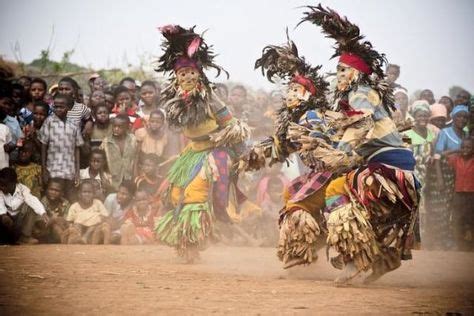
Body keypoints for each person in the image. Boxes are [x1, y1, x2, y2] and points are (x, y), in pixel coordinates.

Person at [299, 5, 420, 284]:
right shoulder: (357, 96)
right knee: (372, 213)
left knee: (336, 190)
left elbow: (358, 125)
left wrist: (337, 154)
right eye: (337, 70)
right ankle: (383, 257)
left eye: (343, 70)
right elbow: (352, 128)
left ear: (355, 73)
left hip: (385, 166)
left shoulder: (361, 93)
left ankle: (353, 259)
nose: (338, 75)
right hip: (396, 164)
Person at [154, 25, 249, 262]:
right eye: (182, 74)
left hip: (214, 153)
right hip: (191, 153)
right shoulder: (176, 102)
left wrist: (238, 153)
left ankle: (195, 240)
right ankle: (184, 242)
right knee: (176, 193)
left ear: (199, 75)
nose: (187, 78)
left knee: (195, 194)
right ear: (176, 78)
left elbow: (233, 126)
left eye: (191, 73)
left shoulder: (211, 99)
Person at [241, 34, 330, 268]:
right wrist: (255, 156)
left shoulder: (313, 116)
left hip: (330, 171)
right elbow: (281, 148)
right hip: (316, 173)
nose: (290, 95)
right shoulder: (294, 121)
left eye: (296, 91)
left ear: (309, 96)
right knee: (291, 193)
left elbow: (324, 140)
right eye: (289, 90)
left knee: (297, 205)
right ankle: (307, 246)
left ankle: (308, 245)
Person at [39, 94, 84, 200]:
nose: (58, 109)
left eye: (61, 107)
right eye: (56, 106)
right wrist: (44, 169)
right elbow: (43, 146)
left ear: (69, 108)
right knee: (52, 195)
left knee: (69, 195)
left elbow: (77, 148)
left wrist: (77, 172)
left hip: (69, 168)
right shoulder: (49, 122)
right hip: (52, 168)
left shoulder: (74, 123)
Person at [403, 102, 435, 248]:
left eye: (425, 115)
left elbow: (433, 155)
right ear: (414, 116)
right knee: (412, 208)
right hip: (411, 175)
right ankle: (409, 240)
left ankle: (420, 241)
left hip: (426, 177)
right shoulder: (407, 134)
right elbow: (404, 154)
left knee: (423, 209)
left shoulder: (431, 134)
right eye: (420, 115)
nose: (423, 118)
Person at [0, 167, 49, 244]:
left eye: (4, 185)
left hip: (20, 223)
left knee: (30, 205)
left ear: (14, 183)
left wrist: (43, 213)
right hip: (6, 221)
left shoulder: (23, 189)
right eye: (0, 184)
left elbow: (31, 199)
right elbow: (0, 204)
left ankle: (24, 237)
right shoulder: (0, 191)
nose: (1, 187)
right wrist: (3, 215)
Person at [62, 180, 110, 244]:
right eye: (84, 192)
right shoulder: (74, 206)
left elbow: (104, 216)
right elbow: (69, 221)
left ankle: (85, 237)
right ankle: (78, 239)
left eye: (89, 192)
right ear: (79, 194)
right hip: (79, 229)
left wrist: (95, 219)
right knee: (75, 226)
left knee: (100, 223)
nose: (87, 194)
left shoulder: (98, 203)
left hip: (93, 231)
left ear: (94, 194)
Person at [447, 138, 474, 251]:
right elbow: (445, 154)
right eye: (463, 147)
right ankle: (460, 245)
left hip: (472, 195)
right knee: (458, 219)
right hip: (458, 194)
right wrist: (457, 150)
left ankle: (471, 245)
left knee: (471, 220)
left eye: (468, 147)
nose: (465, 150)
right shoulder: (456, 159)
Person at [100, 113, 138, 191]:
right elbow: (100, 160)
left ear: (127, 127)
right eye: (114, 126)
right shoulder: (106, 142)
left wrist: (135, 174)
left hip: (129, 178)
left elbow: (136, 157)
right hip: (112, 181)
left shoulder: (133, 140)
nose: (116, 129)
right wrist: (103, 177)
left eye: (120, 127)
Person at [40, 178, 70, 243]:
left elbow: (67, 221)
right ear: (46, 190)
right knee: (55, 226)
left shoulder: (65, 203)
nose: (53, 192)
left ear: (62, 193)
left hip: (62, 229)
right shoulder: (42, 203)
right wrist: (53, 220)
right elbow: (41, 225)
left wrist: (58, 219)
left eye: (57, 190)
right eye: (51, 189)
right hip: (44, 232)